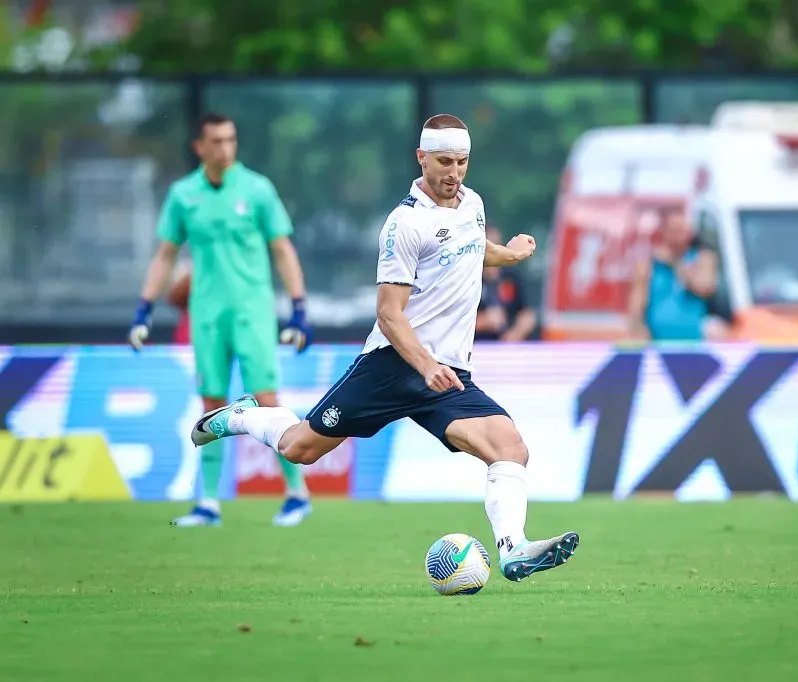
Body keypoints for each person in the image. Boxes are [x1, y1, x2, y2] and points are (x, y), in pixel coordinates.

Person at [188, 114, 579, 582]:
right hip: (392, 366)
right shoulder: (404, 224)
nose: (454, 173)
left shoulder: (471, 204)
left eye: (462, 162)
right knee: (300, 448)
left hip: (448, 373)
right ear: (421, 158)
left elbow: (472, 245)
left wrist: (507, 253)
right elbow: (389, 314)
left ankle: (513, 549)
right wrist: (425, 364)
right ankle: (241, 416)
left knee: (510, 448)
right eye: (444, 162)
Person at [130, 112, 314, 528]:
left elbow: (282, 249)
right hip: (207, 315)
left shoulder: (257, 188)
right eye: (216, 141)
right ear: (200, 147)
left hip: (252, 312)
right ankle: (209, 503)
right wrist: (144, 308)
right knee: (211, 405)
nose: (225, 148)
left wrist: (300, 307)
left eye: (230, 139)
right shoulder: (183, 194)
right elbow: (166, 255)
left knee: (266, 400)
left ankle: (296, 493)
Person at [627, 204, 720, 341]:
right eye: (676, 230)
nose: (682, 234)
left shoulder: (703, 259)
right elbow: (636, 306)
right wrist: (638, 330)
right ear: (664, 231)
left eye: (684, 229)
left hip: (694, 340)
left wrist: (675, 264)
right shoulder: (648, 264)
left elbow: (704, 287)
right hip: (657, 342)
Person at [476, 225, 538, 341]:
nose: (494, 250)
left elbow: (526, 314)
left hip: (508, 347)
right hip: (477, 345)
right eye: (490, 247)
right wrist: (483, 321)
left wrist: (514, 334)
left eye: (497, 245)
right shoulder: (470, 275)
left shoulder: (511, 276)